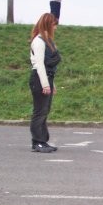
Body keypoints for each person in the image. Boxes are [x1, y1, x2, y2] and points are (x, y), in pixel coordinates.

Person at [29, 13, 61, 153]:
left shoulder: (47, 40)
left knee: (45, 111)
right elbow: (40, 64)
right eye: (54, 25)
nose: (55, 28)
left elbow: (49, 67)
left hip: (47, 77)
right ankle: (37, 142)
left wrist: (51, 84)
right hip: (39, 78)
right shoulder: (39, 41)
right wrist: (45, 84)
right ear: (48, 24)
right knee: (39, 111)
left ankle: (43, 140)